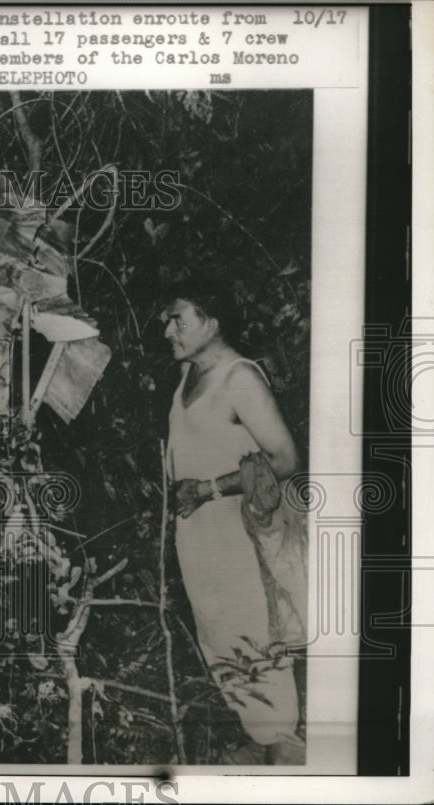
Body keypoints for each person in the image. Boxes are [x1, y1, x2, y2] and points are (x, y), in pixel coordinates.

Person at [162, 281, 305, 765]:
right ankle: (263, 738)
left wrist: (207, 489)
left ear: (211, 323)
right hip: (198, 539)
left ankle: (286, 751)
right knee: (220, 638)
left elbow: (284, 458)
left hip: (236, 536)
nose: (167, 330)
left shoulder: (238, 378)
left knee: (254, 639)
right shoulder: (189, 375)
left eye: (177, 319)